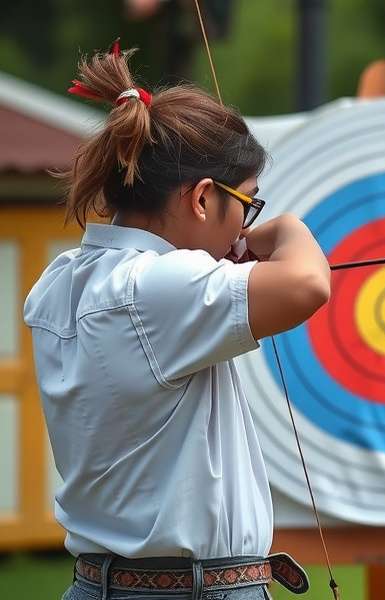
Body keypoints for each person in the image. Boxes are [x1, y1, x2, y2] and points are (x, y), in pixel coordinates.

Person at [22, 42, 330, 600]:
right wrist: (284, 230)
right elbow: (308, 284)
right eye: (248, 204)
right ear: (203, 198)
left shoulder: (65, 278)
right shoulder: (152, 288)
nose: (244, 228)